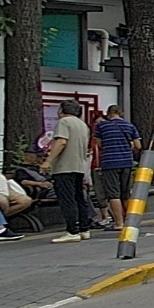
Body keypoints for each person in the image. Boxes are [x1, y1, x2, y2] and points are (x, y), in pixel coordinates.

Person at [42, 100, 95, 242]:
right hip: (79, 165)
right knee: (79, 198)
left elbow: (61, 141)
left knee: (67, 199)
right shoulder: (83, 125)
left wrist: (48, 160)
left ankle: (72, 231)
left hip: (64, 166)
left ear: (61, 110)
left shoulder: (64, 122)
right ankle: (84, 228)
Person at [93, 104, 141, 232]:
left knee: (113, 194)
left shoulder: (101, 126)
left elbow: (99, 144)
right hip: (126, 162)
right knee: (125, 194)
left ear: (108, 114)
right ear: (121, 113)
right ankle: (130, 221)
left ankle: (119, 223)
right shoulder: (129, 126)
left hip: (109, 163)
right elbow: (138, 145)